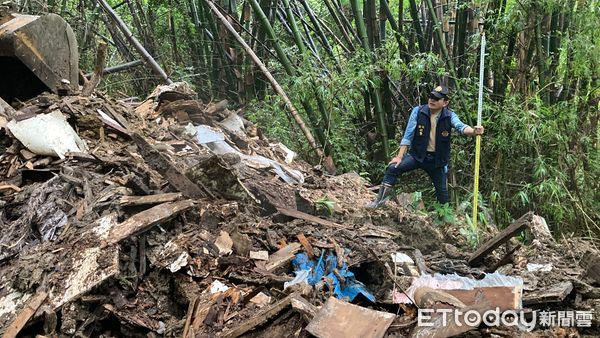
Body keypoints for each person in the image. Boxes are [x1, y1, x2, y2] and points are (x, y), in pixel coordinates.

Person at [366, 85, 484, 209]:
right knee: (392, 168)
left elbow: (461, 127)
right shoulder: (418, 111)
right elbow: (408, 135)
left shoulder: (449, 116)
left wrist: (474, 131)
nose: (432, 100)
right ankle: (380, 202)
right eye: (431, 97)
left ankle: (444, 220)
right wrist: (399, 157)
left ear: (445, 103)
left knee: (442, 194)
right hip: (417, 156)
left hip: (436, 161)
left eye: (436, 98)